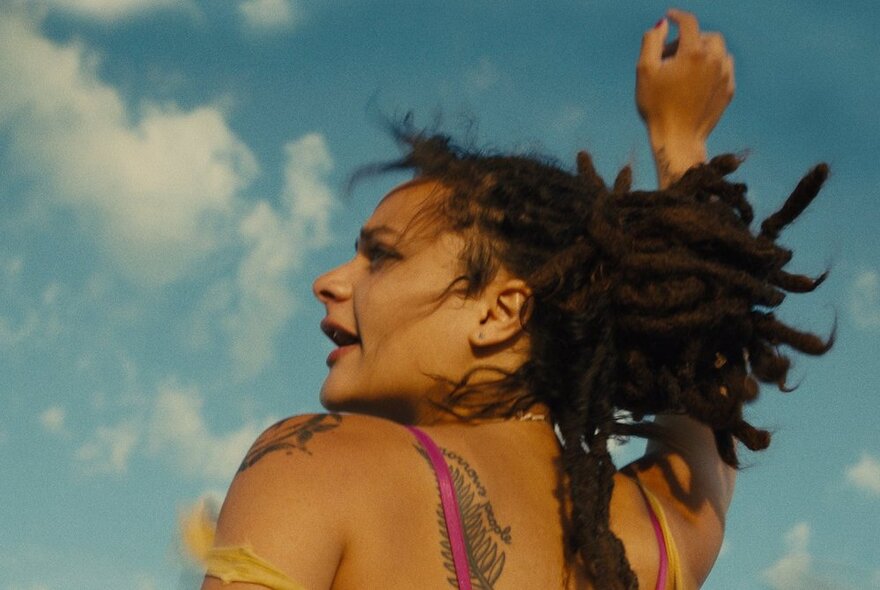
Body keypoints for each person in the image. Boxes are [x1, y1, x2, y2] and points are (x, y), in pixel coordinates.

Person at [189, 9, 830, 590]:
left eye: (380, 255)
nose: (329, 281)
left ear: (499, 312)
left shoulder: (316, 464)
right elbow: (709, 396)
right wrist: (681, 135)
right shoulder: (661, 537)